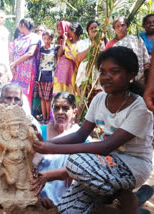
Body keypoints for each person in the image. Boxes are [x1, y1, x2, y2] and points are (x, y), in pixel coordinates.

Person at [32, 46, 153, 214]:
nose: (106, 77)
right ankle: (128, 207)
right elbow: (81, 134)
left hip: (133, 166)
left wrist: (51, 148)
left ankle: (125, 197)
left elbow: (105, 147)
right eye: (102, 72)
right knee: (66, 210)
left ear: (131, 75)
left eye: (114, 71)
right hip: (103, 166)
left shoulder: (140, 108)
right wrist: (45, 143)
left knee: (75, 162)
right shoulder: (100, 99)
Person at [32, 92, 81, 208]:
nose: (60, 112)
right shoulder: (40, 131)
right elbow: (32, 161)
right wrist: (36, 195)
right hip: (36, 191)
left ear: (74, 111)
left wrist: (47, 176)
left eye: (65, 108)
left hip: (66, 198)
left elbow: (77, 169)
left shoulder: (80, 136)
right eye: (56, 108)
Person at [105, 17, 150, 83]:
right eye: (117, 26)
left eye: (123, 25)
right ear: (114, 29)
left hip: (141, 79)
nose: (120, 28)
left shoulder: (137, 40)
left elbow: (146, 61)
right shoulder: (115, 46)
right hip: (123, 81)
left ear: (127, 26)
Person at [10, 18, 41, 107]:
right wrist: (12, 65)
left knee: (26, 94)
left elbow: (30, 53)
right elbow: (13, 52)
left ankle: (26, 115)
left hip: (27, 70)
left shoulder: (34, 37)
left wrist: (15, 63)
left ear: (23, 25)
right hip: (17, 70)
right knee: (15, 92)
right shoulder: (20, 38)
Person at [53, 22, 84, 95]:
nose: (67, 32)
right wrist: (64, 40)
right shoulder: (66, 42)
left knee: (69, 95)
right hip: (61, 75)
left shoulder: (82, 43)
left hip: (72, 73)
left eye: (68, 30)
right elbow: (59, 54)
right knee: (59, 95)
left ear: (73, 31)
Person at [37, 29, 59, 124]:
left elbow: (57, 61)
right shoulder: (40, 49)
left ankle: (48, 117)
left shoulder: (55, 49)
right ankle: (44, 117)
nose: (46, 40)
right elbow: (38, 62)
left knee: (48, 98)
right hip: (41, 76)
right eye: (44, 38)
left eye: (49, 38)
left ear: (52, 39)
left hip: (50, 75)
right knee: (42, 98)